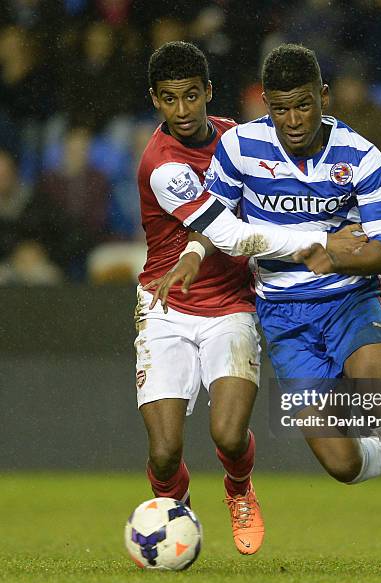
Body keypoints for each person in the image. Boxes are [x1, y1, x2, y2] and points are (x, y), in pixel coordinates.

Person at [151, 44, 381, 571]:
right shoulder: (240, 147)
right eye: (281, 108)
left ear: (323, 98)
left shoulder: (361, 154)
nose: (292, 120)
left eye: (304, 106)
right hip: (284, 318)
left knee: (378, 401)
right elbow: (216, 214)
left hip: (350, 301)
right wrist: (195, 253)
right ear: (266, 103)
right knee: (343, 465)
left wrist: (332, 259)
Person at [136, 41, 362, 556]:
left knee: (230, 436)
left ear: (209, 93)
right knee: (166, 451)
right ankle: (176, 518)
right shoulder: (161, 165)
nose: (182, 110)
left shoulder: (238, 141)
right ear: (155, 101)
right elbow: (232, 237)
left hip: (233, 301)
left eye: (191, 96)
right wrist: (321, 242)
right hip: (165, 304)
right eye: (169, 99)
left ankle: (239, 490)